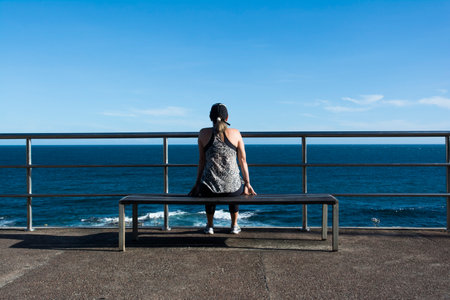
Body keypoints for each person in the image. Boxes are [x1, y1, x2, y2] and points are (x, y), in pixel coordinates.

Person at [189, 103, 256, 235]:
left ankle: (209, 225)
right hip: (234, 190)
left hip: (209, 190)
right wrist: (247, 183)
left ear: (210, 117)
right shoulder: (236, 133)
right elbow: (243, 161)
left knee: (209, 182)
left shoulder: (203, 133)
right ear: (227, 117)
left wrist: (197, 184)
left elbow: (201, 161)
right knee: (234, 182)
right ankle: (234, 225)